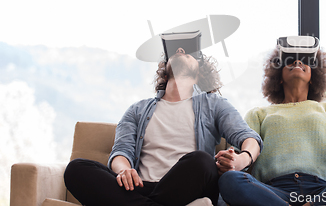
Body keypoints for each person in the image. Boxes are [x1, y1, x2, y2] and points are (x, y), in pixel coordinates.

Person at [64, 46, 262, 206]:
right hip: (141, 187)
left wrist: (240, 160)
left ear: (199, 74)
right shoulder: (137, 110)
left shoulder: (214, 104)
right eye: (176, 50)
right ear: (165, 69)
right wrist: (124, 170)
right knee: (76, 169)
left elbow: (249, 138)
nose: (182, 51)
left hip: (188, 186)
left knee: (202, 161)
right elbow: (121, 152)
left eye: (190, 52)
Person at [218, 37, 326, 206]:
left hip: (323, 191)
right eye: (289, 60)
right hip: (273, 191)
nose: (297, 61)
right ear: (279, 77)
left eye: (305, 61)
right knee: (229, 180)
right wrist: (233, 160)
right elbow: (244, 152)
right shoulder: (259, 113)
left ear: (313, 77)